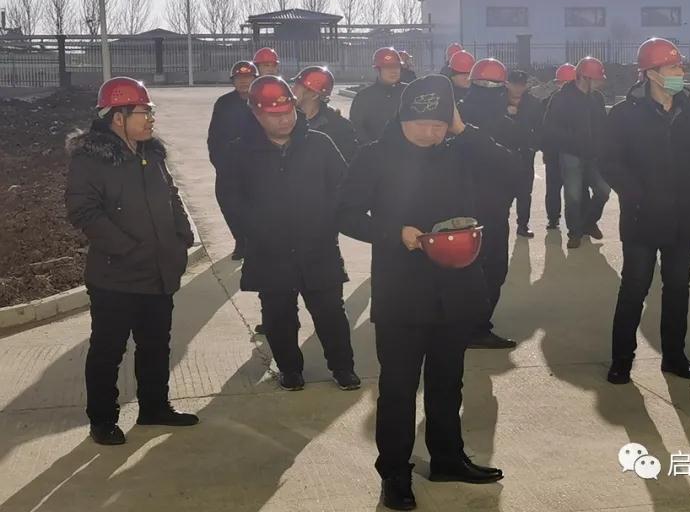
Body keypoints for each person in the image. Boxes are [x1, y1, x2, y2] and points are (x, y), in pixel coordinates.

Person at [339, 75, 512, 510]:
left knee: (447, 382)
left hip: (456, 288)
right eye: (422, 124)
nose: (431, 133)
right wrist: (394, 232)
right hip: (402, 292)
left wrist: (463, 129)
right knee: (399, 388)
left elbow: (509, 169)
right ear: (402, 118)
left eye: (439, 125)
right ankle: (394, 472)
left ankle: (448, 458)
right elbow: (345, 213)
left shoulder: (458, 151)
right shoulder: (374, 156)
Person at [66, 77, 199, 446]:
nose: (151, 119)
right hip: (115, 277)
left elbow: (171, 195)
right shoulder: (91, 159)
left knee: (156, 345)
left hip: (158, 273)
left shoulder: (151, 154)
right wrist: (125, 248)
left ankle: (154, 408)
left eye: (150, 112)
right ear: (118, 117)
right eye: (144, 112)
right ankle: (102, 420)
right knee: (108, 351)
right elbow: (83, 211)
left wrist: (181, 237)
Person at [219, 76, 360, 392]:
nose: (284, 120)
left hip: (318, 247)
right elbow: (230, 199)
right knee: (278, 316)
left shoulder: (319, 144)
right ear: (256, 114)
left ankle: (343, 367)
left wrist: (327, 221)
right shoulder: (240, 152)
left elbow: (343, 187)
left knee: (331, 313)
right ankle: (290, 370)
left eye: (288, 112)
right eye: (274, 115)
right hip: (269, 251)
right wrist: (252, 232)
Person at [601, 38, 690, 385]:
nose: (680, 72)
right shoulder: (624, 115)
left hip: (684, 217)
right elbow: (609, 161)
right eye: (673, 67)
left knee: (678, 287)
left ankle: (674, 356)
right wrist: (635, 194)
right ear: (651, 73)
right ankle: (622, 360)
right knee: (634, 287)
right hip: (642, 216)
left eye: (680, 66)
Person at [458, 58, 527, 350]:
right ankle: (475, 328)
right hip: (484, 211)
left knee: (476, 270)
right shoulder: (462, 123)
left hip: (472, 210)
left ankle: (467, 327)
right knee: (489, 271)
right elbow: (518, 168)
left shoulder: (456, 120)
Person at [541, 56, 610, 249]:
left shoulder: (597, 98)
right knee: (573, 196)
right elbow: (550, 128)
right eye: (597, 79)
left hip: (594, 155)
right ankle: (574, 233)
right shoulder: (561, 98)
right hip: (570, 154)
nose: (600, 83)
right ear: (584, 78)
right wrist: (572, 142)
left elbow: (603, 125)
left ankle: (589, 222)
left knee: (604, 190)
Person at [208, 60, 260, 260]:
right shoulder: (224, 104)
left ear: (255, 79)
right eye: (239, 78)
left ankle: (256, 242)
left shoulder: (262, 101)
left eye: (248, 77)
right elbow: (214, 138)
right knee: (229, 204)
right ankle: (240, 240)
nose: (243, 82)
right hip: (229, 167)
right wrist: (220, 164)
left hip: (257, 167)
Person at [506, 70, 546, 238]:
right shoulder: (498, 101)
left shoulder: (533, 103)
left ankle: (523, 225)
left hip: (525, 153)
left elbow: (541, 127)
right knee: (503, 191)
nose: (518, 89)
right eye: (514, 85)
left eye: (521, 85)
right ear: (507, 84)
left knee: (524, 192)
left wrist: (533, 146)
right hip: (502, 152)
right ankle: (501, 221)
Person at [292, 65, 360, 162]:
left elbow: (348, 165)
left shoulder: (340, 128)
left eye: (297, 87)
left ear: (314, 95)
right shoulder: (286, 121)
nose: (291, 90)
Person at [541, 63, 577, 231]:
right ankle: (553, 218)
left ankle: (575, 222)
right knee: (554, 189)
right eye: (563, 83)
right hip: (554, 154)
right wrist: (546, 150)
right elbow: (544, 129)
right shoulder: (547, 103)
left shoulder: (583, 103)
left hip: (574, 153)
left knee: (574, 191)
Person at [349, 47, 406, 144]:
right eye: (387, 67)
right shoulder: (364, 97)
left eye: (396, 66)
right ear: (377, 70)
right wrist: (372, 148)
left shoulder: (409, 92)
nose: (393, 71)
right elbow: (356, 128)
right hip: (374, 150)